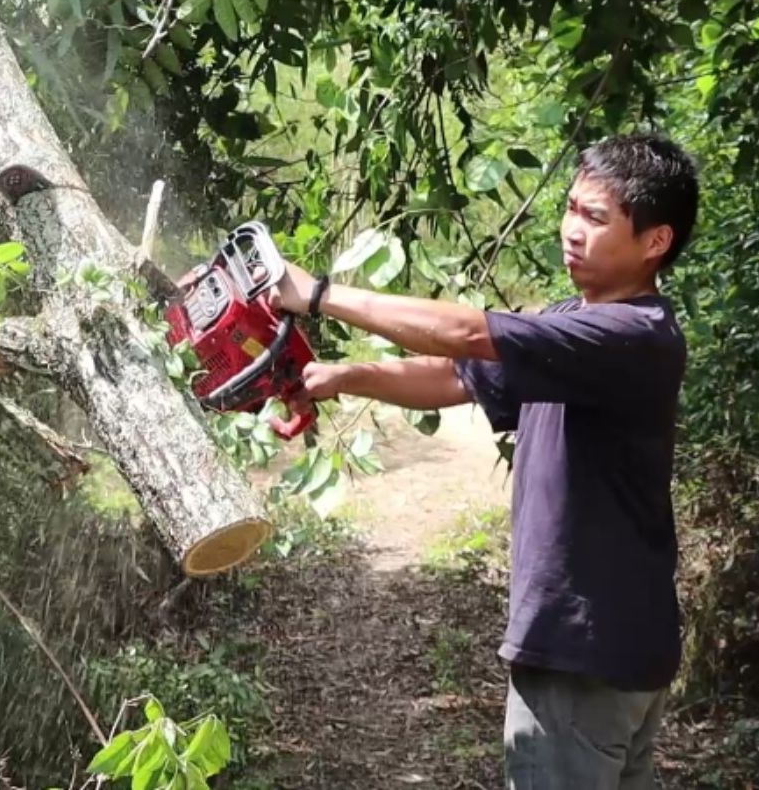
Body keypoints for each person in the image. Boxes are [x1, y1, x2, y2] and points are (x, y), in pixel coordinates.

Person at [267, 132, 700, 789]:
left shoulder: (630, 335)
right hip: (614, 654)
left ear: (654, 242)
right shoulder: (578, 326)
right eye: (570, 209)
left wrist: (318, 293)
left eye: (595, 217)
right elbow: (455, 374)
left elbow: (468, 331)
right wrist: (343, 375)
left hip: (580, 659)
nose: (571, 230)